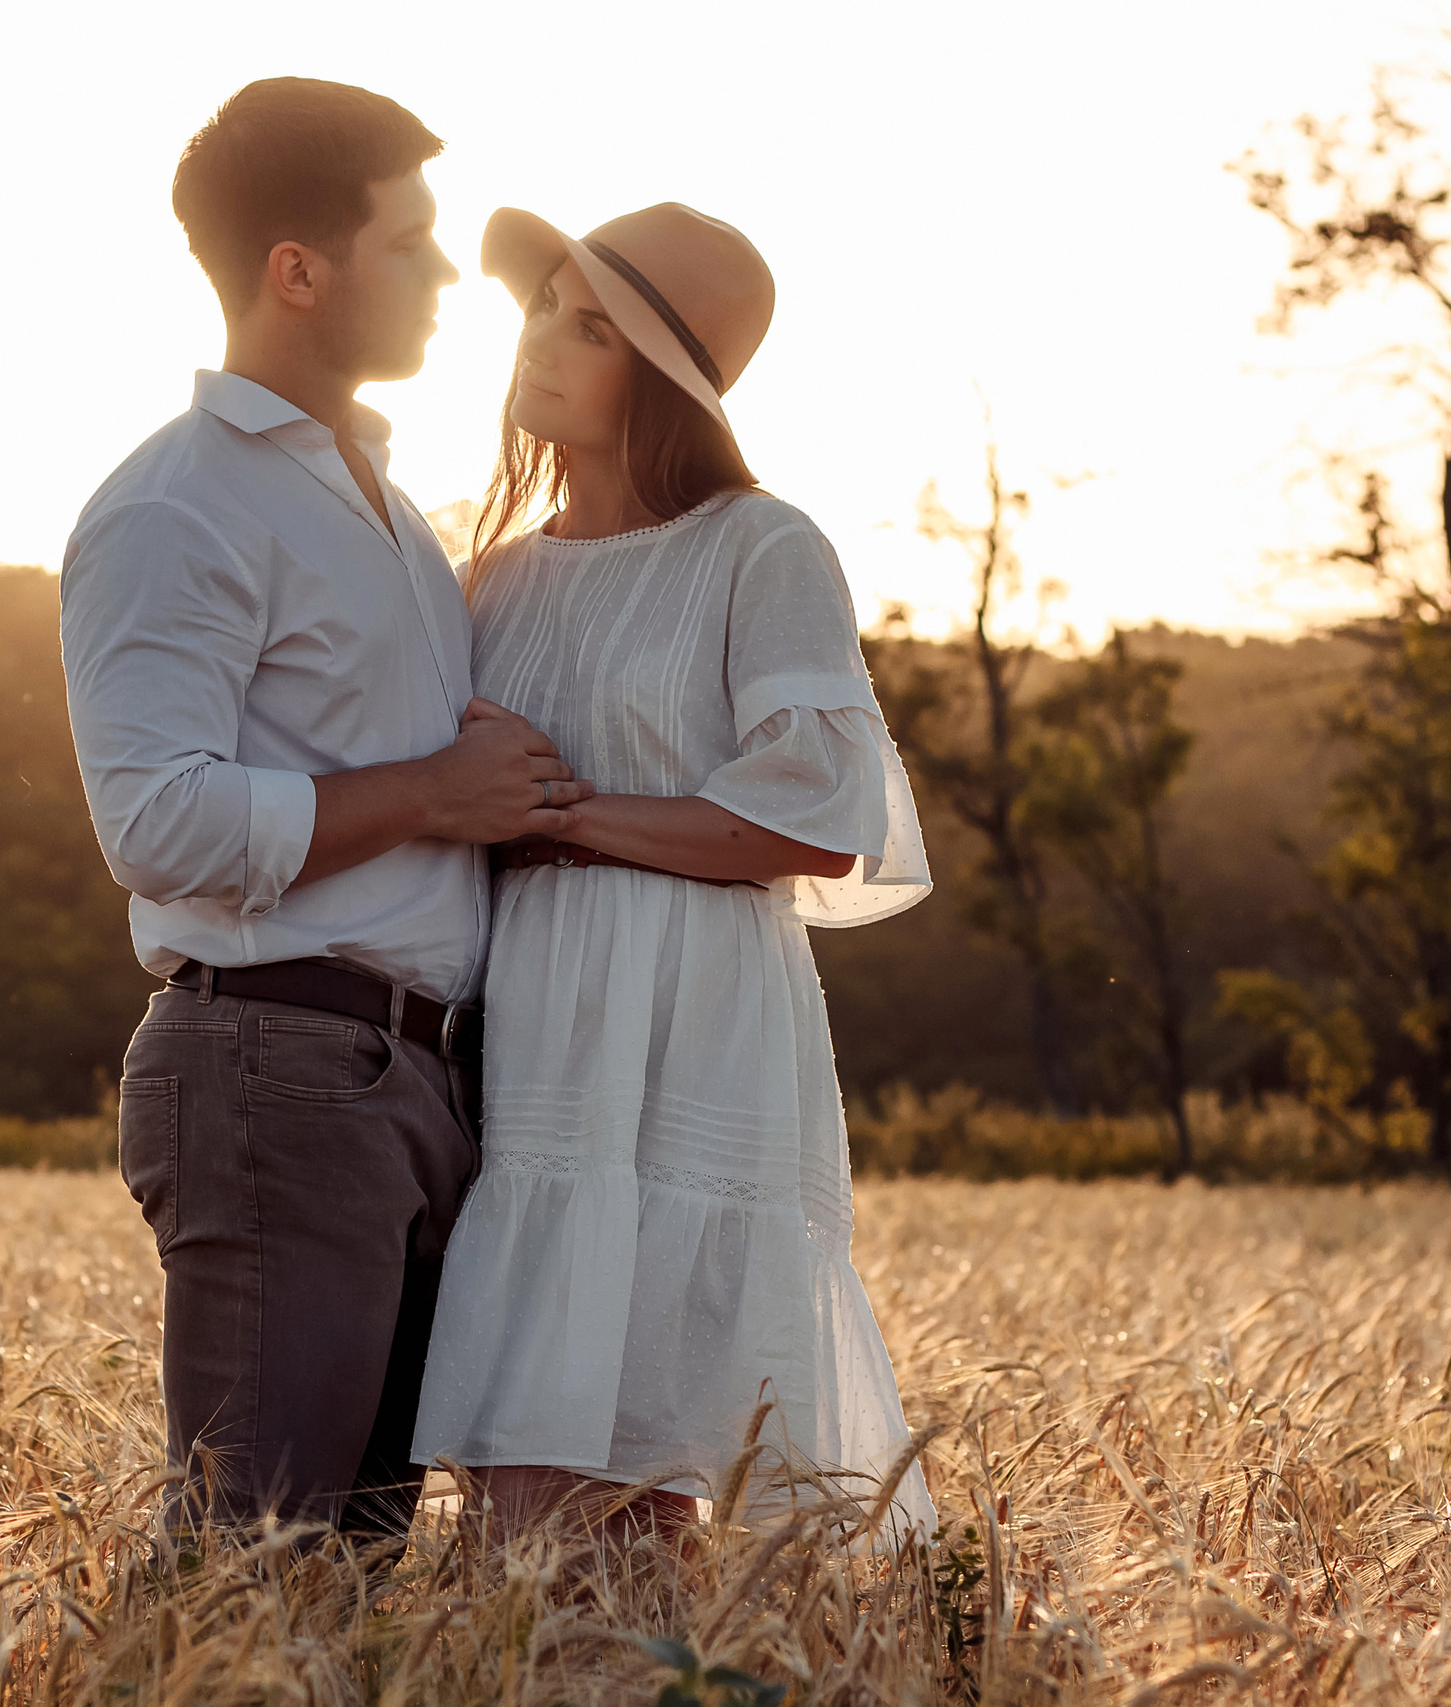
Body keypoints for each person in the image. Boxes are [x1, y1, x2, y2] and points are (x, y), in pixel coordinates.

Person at [58, 79, 595, 1546]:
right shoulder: (178, 507)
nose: (445, 277)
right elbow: (156, 823)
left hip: (416, 1082)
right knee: (253, 1574)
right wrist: (434, 792)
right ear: (297, 271)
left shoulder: (387, 509)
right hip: (278, 1066)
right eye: (408, 244)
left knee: (346, 1584)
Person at [408, 204, 938, 1543]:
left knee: (655, 1416)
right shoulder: (488, 577)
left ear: (664, 383)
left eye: (594, 329)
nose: (543, 343)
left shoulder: (760, 546)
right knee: (529, 1451)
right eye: (546, 307)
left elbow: (819, 820)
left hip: (692, 1009)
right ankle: (560, 1646)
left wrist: (567, 814)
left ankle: (657, 1641)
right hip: (533, 1012)